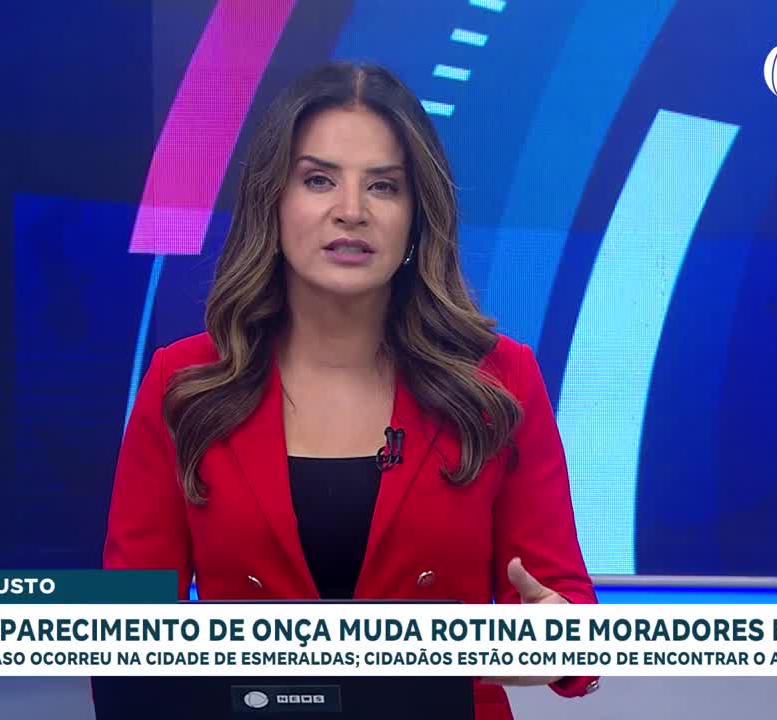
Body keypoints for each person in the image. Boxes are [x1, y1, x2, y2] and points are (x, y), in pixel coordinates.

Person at [103, 61, 599, 719]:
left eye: (384, 187)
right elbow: (124, 639)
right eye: (318, 180)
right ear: (272, 204)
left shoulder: (500, 383)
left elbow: (567, 617)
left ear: (417, 218)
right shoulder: (183, 385)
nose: (350, 212)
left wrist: (558, 632)